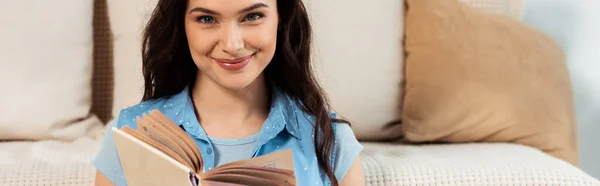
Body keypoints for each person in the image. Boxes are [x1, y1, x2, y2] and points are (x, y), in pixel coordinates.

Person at [93, 0, 365, 185]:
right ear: (182, 26)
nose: (232, 44)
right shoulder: (130, 135)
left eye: (253, 16)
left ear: (281, 18)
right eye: (207, 19)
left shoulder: (330, 141)